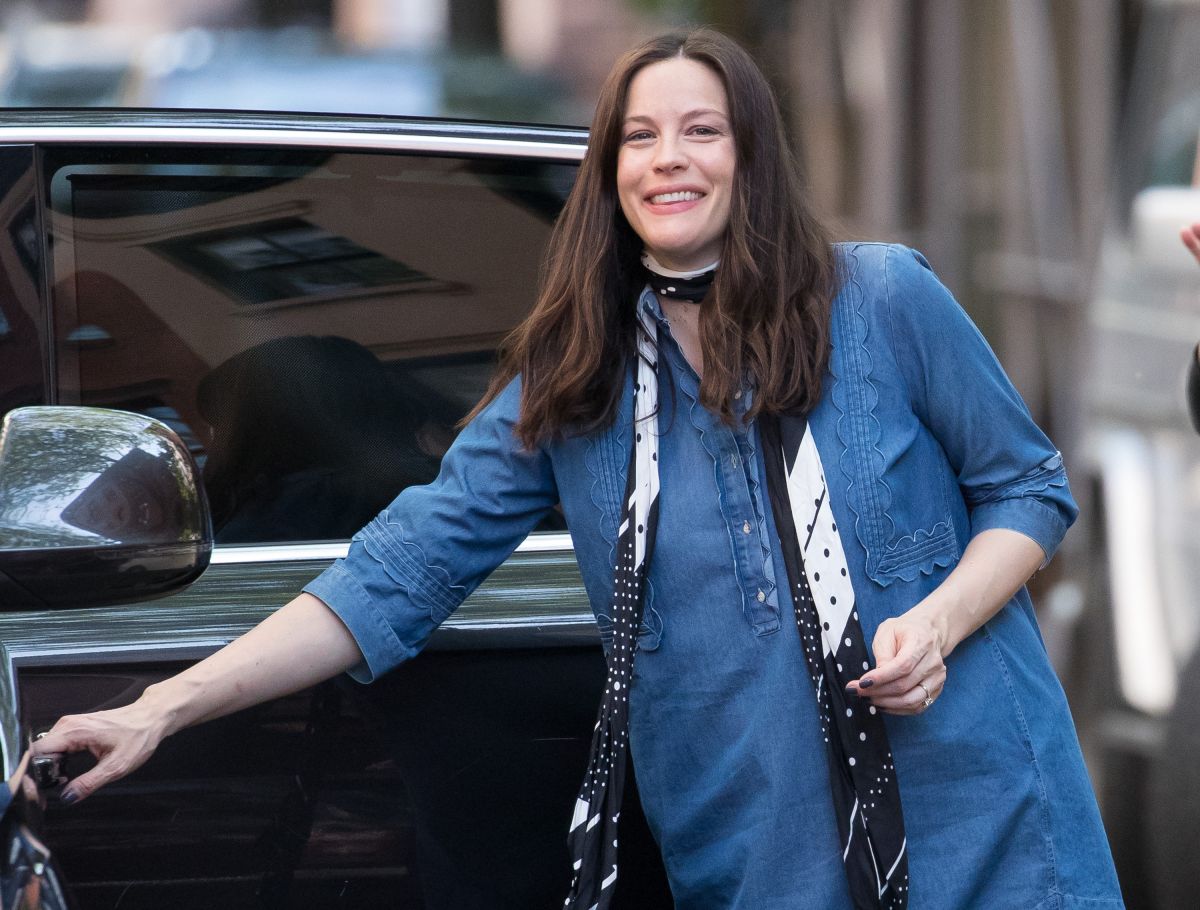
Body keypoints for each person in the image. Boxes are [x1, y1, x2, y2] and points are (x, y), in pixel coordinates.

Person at [31, 28, 1123, 909]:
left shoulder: (883, 298)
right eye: (640, 135)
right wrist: (159, 708)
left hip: (994, 833)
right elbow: (390, 577)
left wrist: (936, 620)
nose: (670, 157)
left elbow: (1028, 487)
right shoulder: (577, 383)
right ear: (610, 170)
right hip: (756, 865)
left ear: (752, 156)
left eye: (703, 129)